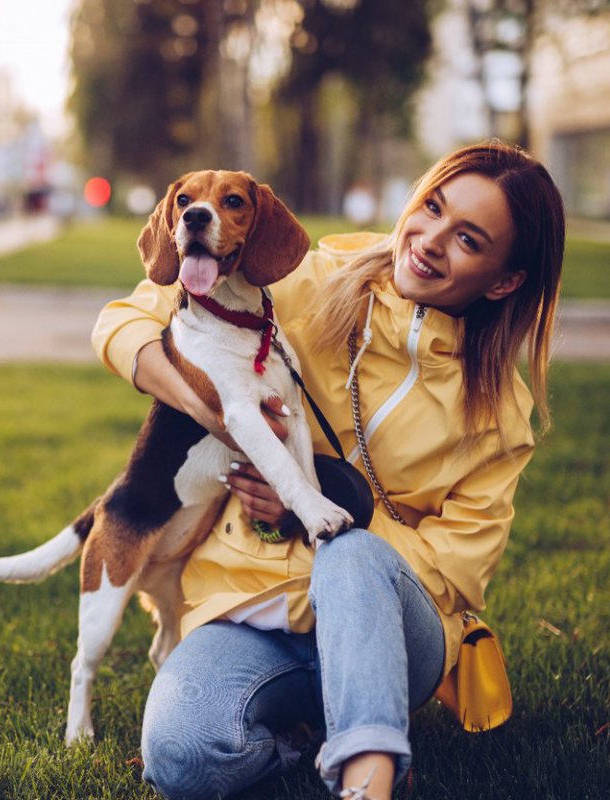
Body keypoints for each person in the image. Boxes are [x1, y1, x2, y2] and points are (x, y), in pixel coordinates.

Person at [91, 140, 565, 800]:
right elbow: (128, 317)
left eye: (469, 239)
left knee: (349, 554)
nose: (429, 240)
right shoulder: (311, 278)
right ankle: (320, 758)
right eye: (432, 207)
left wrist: (341, 510)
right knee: (181, 756)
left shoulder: (500, 415)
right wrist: (208, 404)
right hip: (249, 606)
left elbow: (457, 574)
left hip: (398, 637)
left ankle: (369, 782)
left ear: (504, 279)